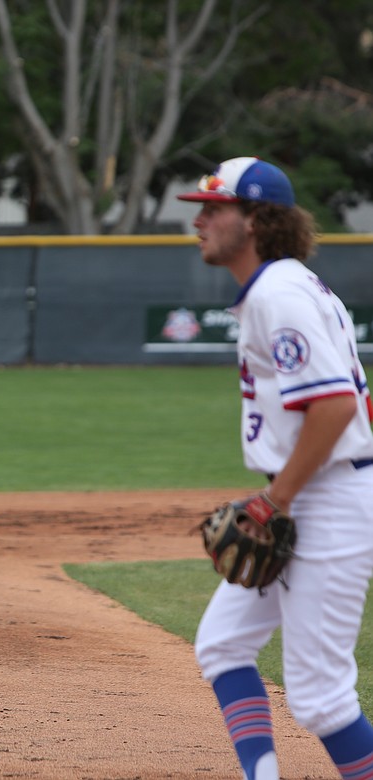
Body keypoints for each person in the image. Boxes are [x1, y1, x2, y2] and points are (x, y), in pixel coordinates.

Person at [178, 156, 373, 780]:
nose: (200, 222)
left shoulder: (278, 293)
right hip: (317, 491)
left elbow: (336, 404)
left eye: (214, 209)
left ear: (256, 219)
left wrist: (276, 500)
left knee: (321, 698)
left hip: (328, 499)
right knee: (222, 645)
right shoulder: (278, 287)